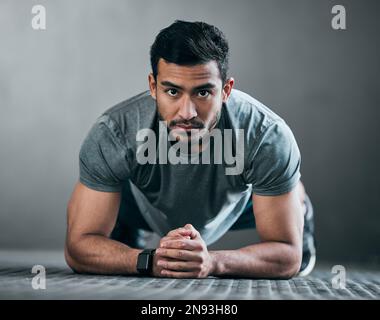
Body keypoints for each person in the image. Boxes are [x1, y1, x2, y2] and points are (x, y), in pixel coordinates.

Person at [65, 20, 316, 279]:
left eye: (203, 93)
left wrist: (212, 262)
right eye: (172, 91)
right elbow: (78, 247)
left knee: (290, 195)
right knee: (103, 209)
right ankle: (128, 231)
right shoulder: (116, 131)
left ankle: (298, 207)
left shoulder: (265, 134)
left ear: (226, 90)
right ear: (153, 87)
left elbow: (287, 256)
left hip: (239, 206)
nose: (187, 112)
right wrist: (148, 260)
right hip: (145, 207)